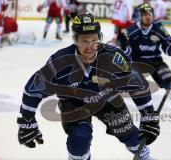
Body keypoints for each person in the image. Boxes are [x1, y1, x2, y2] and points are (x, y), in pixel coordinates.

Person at [17, 13, 160, 160]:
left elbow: (137, 84)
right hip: (74, 104)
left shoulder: (114, 57)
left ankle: (144, 155)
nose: (90, 47)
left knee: (128, 133)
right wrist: (27, 120)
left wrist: (148, 115)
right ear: (75, 40)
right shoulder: (59, 62)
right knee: (79, 138)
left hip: (107, 99)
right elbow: (32, 90)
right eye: (84, 41)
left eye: (94, 40)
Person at [118, 3, 171, 118]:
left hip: (156, 62)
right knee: (126, 83)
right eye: (145, 14)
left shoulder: (159, 29)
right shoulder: (130, 31)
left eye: (150, 14)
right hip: (138, 63)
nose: (148, 16)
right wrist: (124, 46)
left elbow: (168, 49)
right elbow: (127, 54)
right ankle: (114, 105)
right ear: (140, 16)